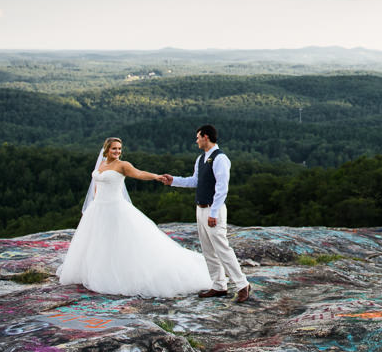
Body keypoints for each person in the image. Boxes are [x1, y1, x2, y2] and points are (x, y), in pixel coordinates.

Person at [59, 137, 211, 298]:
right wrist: (94, 202)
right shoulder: (102, 165)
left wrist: (155, 176)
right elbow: (97, 184)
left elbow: (139, 173)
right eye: (114, 149)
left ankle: (119, 274)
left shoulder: (123, 165)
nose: (117, 151)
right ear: (106, 150)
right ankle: (97, 271)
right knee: (99, 241)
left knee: (121, 241)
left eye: (119, 149)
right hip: (98, 208)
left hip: (115, 208)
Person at [160, 124, 251, 302]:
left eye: (198, 137)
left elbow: (222, 188)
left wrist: (214, 213)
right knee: (208, 250)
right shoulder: (201, 158)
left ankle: (242, 284)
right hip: (200, 208)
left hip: (213, 209)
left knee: (222, 248)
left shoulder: (220, 158)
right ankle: (218, 285)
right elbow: (195, 181)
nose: (196, 140)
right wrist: (173, 181)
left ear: (206, 137)